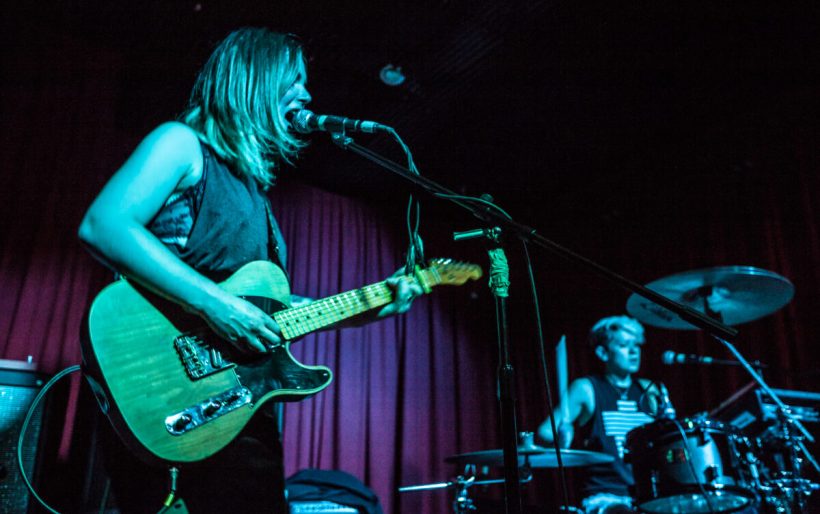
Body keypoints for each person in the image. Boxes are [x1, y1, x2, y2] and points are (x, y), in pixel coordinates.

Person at [78, 27, 422, 513]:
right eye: (292, 79)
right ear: (253, 78)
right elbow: (104, 224)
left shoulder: (253, 195)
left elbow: (270, 312)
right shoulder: (180, 143)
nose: (306, 93)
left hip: (237, 409)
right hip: (165, 387)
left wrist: (365, 308)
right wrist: (217, 306)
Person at [537, 315, 669, 514]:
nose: (633, 351)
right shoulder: (587, 389)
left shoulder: (649, 390)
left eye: (637, 345)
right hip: (606, 497)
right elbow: (545, 432)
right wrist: (561, 435)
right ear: (603, 352)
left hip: (650, 493)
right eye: (624, 345)